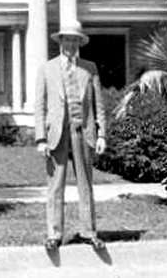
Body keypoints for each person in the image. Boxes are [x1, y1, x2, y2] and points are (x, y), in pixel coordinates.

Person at [34, 21, 107, 253]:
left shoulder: (89, 68)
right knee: (55, 185)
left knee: (86, 184)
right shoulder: (47, 69)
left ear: (79, 43)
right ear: (60, 41)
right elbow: (40, 106)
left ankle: (89, 232)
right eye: (67, 39)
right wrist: (41, 139)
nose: (71, 44)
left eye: (75, 40)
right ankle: (54, 234)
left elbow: (99, 105)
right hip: (57, 134)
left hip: (82, 131)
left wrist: (102, 135)